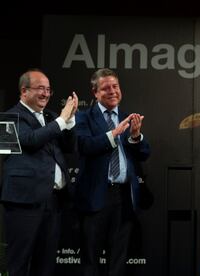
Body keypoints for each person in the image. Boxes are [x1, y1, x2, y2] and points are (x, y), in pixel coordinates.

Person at [1, 68, 78, 276]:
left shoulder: (52, 116)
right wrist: (61, 120)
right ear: (24, 91)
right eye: (40, 89)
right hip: (24, 203)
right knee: (18, 263)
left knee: (45, 266)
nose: (45, 93)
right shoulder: (8, 116)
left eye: (48, 90)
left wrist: (69, 121)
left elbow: (70, 147)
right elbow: (31, 141)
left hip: (52, 202)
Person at [74, 68, 150, 276]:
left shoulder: (128, 117)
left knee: (118, 258)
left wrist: (135, 136)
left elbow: (144, 154)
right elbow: (84, 145)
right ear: (95, 92)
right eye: (106, 88)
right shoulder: (83, 117)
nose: (112, 91)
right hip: (96, 196)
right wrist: (113, 134)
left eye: (115, 86)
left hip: (124, 196)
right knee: (90, 257)